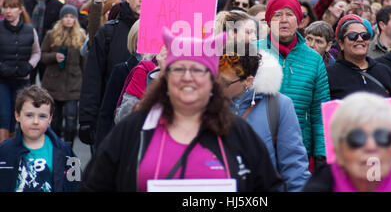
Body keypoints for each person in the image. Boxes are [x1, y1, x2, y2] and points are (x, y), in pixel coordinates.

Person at [79, 27, 283, 192]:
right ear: (165, 77)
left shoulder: (238, 133)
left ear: (212, 80)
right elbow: (93, 185)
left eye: (197, 69)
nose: (187, 77)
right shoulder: (134, 130)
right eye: (178, 68)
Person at [219, 41, 311, 191]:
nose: (218, 85)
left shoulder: (279, 105)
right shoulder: (208, 105)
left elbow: (294, 166)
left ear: (248, 81)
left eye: (225, 82)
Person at [255, 0, 330, 171]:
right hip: (257, 148)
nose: (283, 20)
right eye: (277, 14)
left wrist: (321, 154)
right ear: (268, 20)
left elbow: (320, 112)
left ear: (299, 20)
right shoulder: (251, 52)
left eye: (289, 14)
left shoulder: (314, 60)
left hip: (298, 150)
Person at [302, 92, 391, 192]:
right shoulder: (317, 187)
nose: (371, 146)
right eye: (356, 138)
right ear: (338, 149)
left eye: (383, 137)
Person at [78, 0, 143, 147]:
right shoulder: (109, 32)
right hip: (110, 121)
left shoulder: (162, 32)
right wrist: (87, 118)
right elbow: (93, 77)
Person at [0, 85, 79, 192]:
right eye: (29, 115)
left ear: (50, 118)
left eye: (42, 116)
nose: (35, 121)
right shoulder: (4, 151)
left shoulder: (66, 151)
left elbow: (76, 183)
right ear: (17, 115)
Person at [40, 5, 86, 145]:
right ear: (61, 19)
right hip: (53, 83)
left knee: (71, 120)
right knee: (55, 121)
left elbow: (84, 62)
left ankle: (68, 148)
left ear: (75, 20)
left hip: (73, 84)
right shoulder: (51, 35)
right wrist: (54, 56)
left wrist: (85, 83)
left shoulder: (81, 36)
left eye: (71, 17)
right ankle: (55, 147)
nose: (68, 20)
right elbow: (42, 56)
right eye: (66, 16)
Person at [326, 14, 391, 100]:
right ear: (341, 44)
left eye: (364, 36)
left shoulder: (384, 71)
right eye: (352, 36)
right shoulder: (329, 74)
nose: (360, 39)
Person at [0, 0, 41, 143]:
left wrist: (29, 65)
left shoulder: (30, 30)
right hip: (2, 80)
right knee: (4, 116)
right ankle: (4, 153)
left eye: (12, 7)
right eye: (6, 7)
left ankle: (14, 147)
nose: (8, 11)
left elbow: (37, 52)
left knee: (17, 116)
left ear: (19, 9)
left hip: (22, 79)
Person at [26, 0, 64, 83]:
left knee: (47, 86)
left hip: (47, 53)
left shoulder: (57, 6)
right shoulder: (28, 4)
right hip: (29, 52)